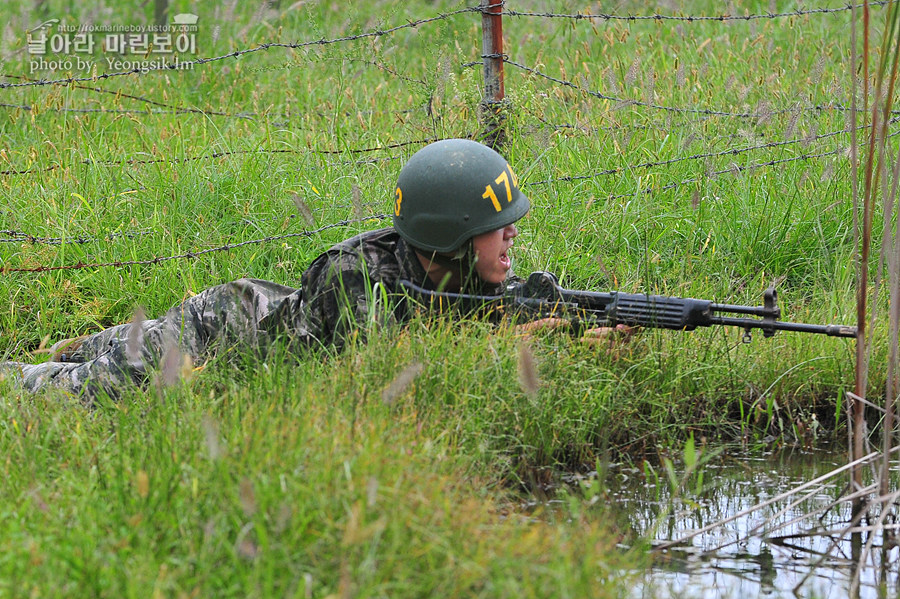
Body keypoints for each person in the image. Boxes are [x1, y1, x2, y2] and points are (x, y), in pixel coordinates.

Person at [0, 139, 536, 401]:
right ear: (448, 235)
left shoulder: (468, 278)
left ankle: (92, 343)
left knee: (101, 350)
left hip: (261, 308)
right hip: (218, 331)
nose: (511, 233)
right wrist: (512, 343)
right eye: (497, 225)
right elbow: (386, 374)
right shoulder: (356, 278)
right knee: (75, 393)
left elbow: (473, 320)